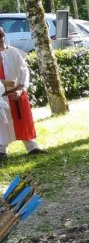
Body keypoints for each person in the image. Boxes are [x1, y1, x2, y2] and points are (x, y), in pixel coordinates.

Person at [0, 27, 47, 161]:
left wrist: (20, 89)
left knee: (23, 120)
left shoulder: (15, 52)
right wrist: (3, 83)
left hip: (17, 94)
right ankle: (1, 151)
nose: (0, 38)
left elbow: (24, 72)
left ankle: (32, 147)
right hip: (1, 96)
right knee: (3, 123)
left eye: (1, 34)